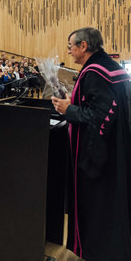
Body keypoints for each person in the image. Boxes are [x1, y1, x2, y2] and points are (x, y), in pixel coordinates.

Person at [52, 27, 131, 261]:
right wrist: (74, 102)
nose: (70, 52)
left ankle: (97, 253)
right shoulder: (111, 68)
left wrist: (69, 109)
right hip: (117, 150)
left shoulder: (95, 72)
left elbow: (99, 117)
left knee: (98, 208)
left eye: (71, 47)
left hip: (99, 158)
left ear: (84, 46)